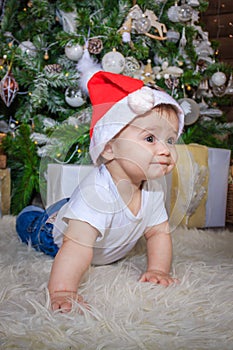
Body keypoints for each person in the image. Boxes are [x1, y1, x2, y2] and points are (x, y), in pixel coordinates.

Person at [16, 70, 184, 313]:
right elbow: (76, 247)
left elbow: (158, 233)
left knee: (77, 210)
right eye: (150, 138)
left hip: (86, 220)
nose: (166, 150)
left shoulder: (154, 190)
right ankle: (32, 212)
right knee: (33, 224)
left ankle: (65, 206)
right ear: (108, 148)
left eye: (170, 140)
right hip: (54, 232)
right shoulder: (97, 194)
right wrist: (63, 290)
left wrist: (158, 270)